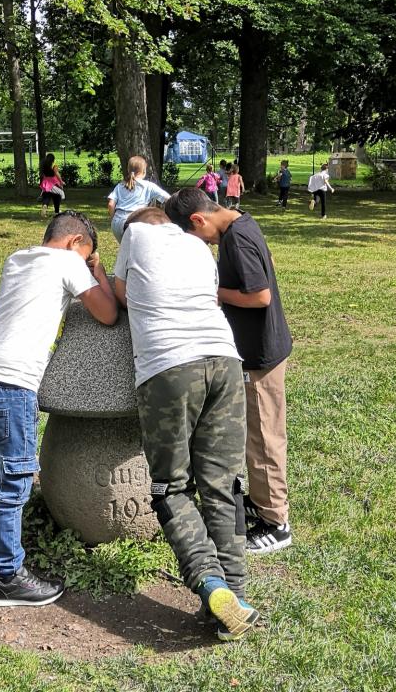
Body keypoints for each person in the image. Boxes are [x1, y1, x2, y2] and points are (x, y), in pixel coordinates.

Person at [113, 208, 259, 641]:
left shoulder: (134, 236)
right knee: (225, 485)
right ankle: (237, 595)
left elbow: (122, 295)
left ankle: (210, 584)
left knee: (170, 487)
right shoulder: (197, 246)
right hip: (226, 361)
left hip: (169, 368)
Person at [0, 212, 117, 607]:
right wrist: (97, 271)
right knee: (14, 482)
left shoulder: (18, 258)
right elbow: (108, 313)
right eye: (85, 254)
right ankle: (9, 577)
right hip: (10, 384)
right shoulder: (67, 262)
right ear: (75, 242)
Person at [165, 189, 293, 556]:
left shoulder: (234, 240)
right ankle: (264, 499)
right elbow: (265, 265)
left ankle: (276, 523)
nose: (202, 243)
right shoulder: (242, 221)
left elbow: (260, 295)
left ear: (199, 219)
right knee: (259, 433)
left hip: (260, 354)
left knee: (264, 437)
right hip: (263, 347)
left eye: (196, 235)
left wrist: (215, 292)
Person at [107, 155, 170, 242]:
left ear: (128, 170)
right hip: (134, 222)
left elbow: (111, 204)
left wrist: (113, 218)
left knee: (125, 247)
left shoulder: (120, 185)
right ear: (144, 171)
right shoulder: (148, 186)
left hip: (117, 223)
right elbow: (168, 199)